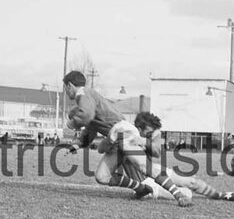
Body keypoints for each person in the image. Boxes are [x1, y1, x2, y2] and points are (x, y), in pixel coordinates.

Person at [63, 70, 192, 207]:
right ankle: (141, 188)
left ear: (70, 85)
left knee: (144, 167)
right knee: (102, 177)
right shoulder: (88, 99)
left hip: (123, 132)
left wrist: (74, 119)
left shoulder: (82, 94)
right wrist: (77, 144)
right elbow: (91, 128)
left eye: (65, 89)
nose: (66, 92)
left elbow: (86, 115)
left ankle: (179, 195)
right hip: (115, 137)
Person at [131, 112, 234, 201]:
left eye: (151, 133)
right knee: (187, 194)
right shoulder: (127, 138)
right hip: (144, 181)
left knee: (192, 182)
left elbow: (157, 152)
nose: (150, 135)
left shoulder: (147, 137)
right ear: (139, 129)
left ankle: (220, 195)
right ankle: (151, 192)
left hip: (154, 169)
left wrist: (148, 140)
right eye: (148, 132)